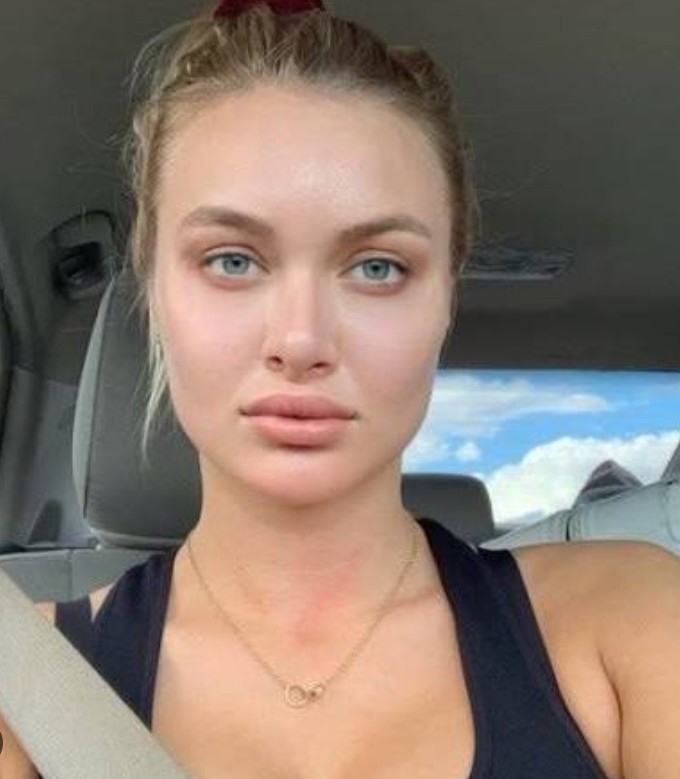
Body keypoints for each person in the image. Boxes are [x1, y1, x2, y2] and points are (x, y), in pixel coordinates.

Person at [2, 0, 680, 776]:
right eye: (232, 260)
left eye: (377, 267)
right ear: (153, 290)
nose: (301, 340)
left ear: (446, 299)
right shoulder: (24, 690)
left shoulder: (633, 619)